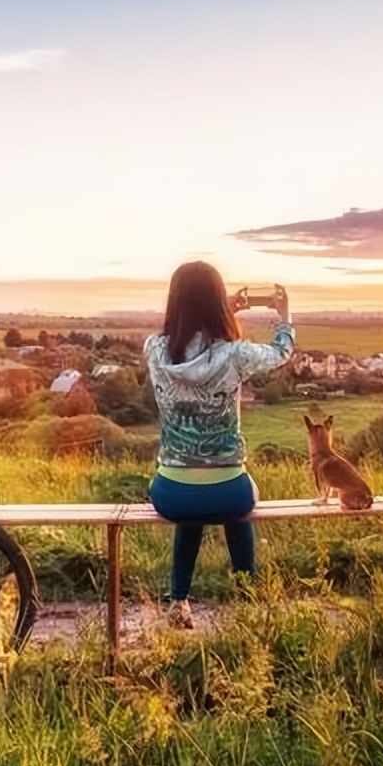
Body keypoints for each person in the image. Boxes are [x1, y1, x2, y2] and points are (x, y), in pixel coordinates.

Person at [143, 262, 295, 628]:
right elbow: (280, 353)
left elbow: (190, 340)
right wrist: (284, 315)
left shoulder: (153, 349)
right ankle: (248, 598)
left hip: (170, 492)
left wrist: (221, 310)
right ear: (216, 301)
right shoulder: (234, 354)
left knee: (191, 505)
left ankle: (178, 601)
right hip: (229, 492)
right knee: (230, 500)